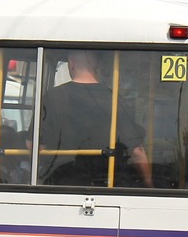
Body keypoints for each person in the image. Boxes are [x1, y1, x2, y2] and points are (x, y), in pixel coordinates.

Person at [38, 50, 152, 187]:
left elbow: (35, 146)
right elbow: (137, 152)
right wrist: (149, 184)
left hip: (61, 182)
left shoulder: (52, 97)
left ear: (71, 64)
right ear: (97, 66)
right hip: (109, 183)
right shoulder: (115, 100)